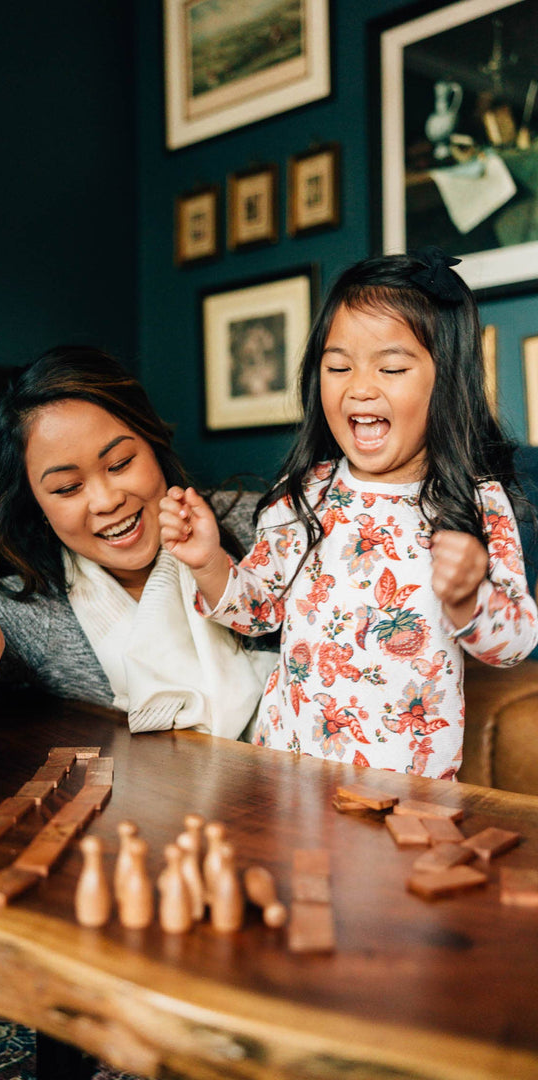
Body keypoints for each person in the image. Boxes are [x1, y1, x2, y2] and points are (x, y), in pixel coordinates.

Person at [159, 249, 538, 778]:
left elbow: (515, 646)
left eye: (391, 367)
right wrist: (207, 561)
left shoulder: (477, 502)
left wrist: (470, 596)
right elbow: (258, 612)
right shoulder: (306, 492)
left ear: (447, 380)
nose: (360, 386)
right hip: (287, 770)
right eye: (339, 366)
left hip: (408, 784)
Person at [0, 346, 275, 739]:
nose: (106, 499)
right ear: (37, 503)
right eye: (66, 488)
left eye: (119, 463)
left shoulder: (264, 525)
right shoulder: (32, 608)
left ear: (153, 444)